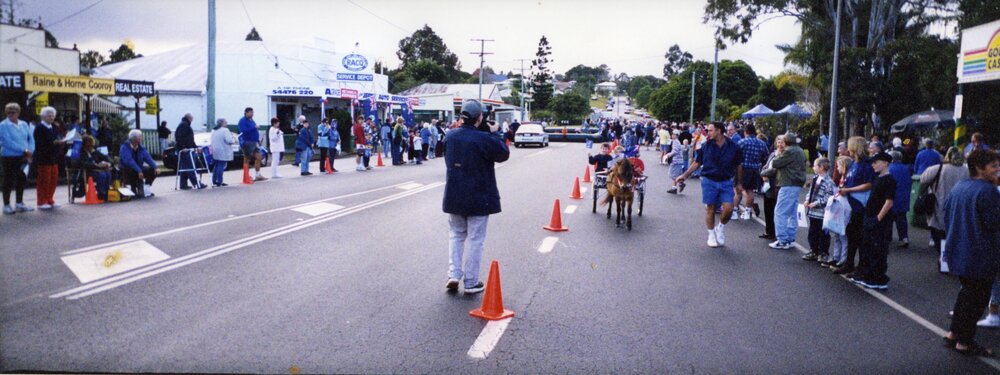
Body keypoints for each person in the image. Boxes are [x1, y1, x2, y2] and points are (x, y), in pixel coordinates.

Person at [443, 99, 510, 294]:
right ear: (479, 117)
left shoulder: (450, 136)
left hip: (454, 195)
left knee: (456, 235)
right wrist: (495, 132)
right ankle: (471, 282)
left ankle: (454, 274)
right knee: (475, 239)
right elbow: (503, 154)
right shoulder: (484, 138)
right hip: (479, 196)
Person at [942, 149, 1000, 357]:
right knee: (976, 301)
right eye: (993, 166)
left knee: (965, 295)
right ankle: (965, 342)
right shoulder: (987, 191)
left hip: (958, 250)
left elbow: (945, 211)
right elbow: (993, 224)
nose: (997, 169)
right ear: (979, 168)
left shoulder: (961, 186)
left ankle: (953, 334)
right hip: (980, 254)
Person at [674, 122, 743, 248]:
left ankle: (720, 227)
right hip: (709, 180)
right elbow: (697, 162)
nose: (708, 133)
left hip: (726, 181)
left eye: (711, 130)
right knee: (710, 208)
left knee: (728, 208)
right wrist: (685, 175)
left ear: (719, 131)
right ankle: (711, 234)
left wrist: (739, 182)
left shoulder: (734, 147)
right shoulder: (706, 146)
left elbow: (739, 165)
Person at [849, 151, 895, 289]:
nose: (873, 165)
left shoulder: (889, 180)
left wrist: (878, 218)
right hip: (870, 216)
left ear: (886, 163)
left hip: (879, 219)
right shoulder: (878, 178)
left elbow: (889, 201)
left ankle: (878, 279)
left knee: (878, 248)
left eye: (876, 162)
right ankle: (868, 274)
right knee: (868, 247)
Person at [831, 137, 875, 275]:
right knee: (851, 236)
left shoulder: (866, 164)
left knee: (859, 237)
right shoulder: (855, 164)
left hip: (859, 206)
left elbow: (869, 184)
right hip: (850, 204)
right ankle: (849, 263)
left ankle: (861, 267)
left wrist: (849, 190)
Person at [921, 147, 969, 253]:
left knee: (940, 234)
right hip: (959, 208)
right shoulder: (967, 171)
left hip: (939, 206)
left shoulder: (937, 169)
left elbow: (923, 179)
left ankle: (943, 258)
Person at [769, 132, 807, 250]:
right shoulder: (799, 150)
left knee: (780, 211)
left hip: (788, 184)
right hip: (796, 184)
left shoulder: (789, 151)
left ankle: (782, 239)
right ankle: (790, 238)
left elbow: (775, 163)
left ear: (786, 142)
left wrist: (779, 152)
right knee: (792, 212)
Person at [1, 103, 34, 214]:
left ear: (18, 113)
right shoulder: (3, 125)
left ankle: (19, 203)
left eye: (13, 112)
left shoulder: (24, 124)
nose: (11, 114)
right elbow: (7, 142)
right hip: (9, 156)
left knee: (21, 179)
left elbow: (30, 138)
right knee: (8, 180)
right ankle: (6, 205)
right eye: (8, 112)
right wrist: (24, 150)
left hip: (23, 157)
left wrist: (30, 150)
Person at [802, 157, 835, 262]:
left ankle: (823, 253)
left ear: (821, 167)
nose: (813, 167)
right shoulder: (816, 178)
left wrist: (816, 203)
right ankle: (814, 250)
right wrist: (807, 200)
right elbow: (810, 192)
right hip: (813, 212)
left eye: (815, 165)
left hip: (822, 213)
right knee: (813, 232)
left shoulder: (829, 182)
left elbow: (828, 197)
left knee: (823, 234)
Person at [827, 156, 854, 268]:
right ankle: (836, 256)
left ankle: (843, 258)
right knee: (837, 234)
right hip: (839, 207)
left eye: (838, 166)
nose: (837, 168)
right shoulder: (842, 178)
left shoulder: (848, 178)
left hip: (845, 209)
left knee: (843, 235)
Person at [736, 124, 768, 219]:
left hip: (743, 168)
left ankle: (734, 210)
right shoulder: (762, 143)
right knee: (750, 191)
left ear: (745, 132)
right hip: (755, 169)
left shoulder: (742, 142)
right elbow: (766, 156)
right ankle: (747, 211)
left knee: (738, 190)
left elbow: (735, 154)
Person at [34, 106, 62, 210]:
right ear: (43, 116)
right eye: (49, 115)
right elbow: (40, 144)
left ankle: (50, 199)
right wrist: (54, 143)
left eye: (52, 115)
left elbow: (56, 139)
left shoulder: (53, 127)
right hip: (44, 158)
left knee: (53, 179)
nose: (51, 117)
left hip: (53, 157)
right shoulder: (39, 128)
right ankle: (41, 201)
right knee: (44, 180)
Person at [119, 129, 159, 198]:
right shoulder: (125, 147)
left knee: (153, 170)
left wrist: (155, 167)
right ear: (134, 138)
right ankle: (132, 188)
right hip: (127, 169)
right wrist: (139, 170)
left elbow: (148, 158)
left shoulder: (141, 147)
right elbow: (129, 161)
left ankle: (146, 188)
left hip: (138, 169)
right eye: (140, 136)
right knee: (131, 170)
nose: (141, 138)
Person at [759, 137, 785, 240]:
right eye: (778, 142)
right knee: (767, 209)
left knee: (775, 209)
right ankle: (768, 231)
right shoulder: (773, 153)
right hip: (767, 184)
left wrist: (764, 173)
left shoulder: (784, 155)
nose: (779, 144)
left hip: (776, 184)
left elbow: (775, 170)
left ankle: (775, 232)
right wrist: (763, 173)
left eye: (782, 142)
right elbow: (766, 166)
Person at [887, 150, 912, 248]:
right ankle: (904, 238)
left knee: (889, 219)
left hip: (892, 197)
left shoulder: (889, 169)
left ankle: (888, 238)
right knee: (902, 219)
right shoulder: (907, 168)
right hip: (904, 197)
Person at [174, 113, 206, 190]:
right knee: (190, 166)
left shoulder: (184, 124)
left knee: (185, 167)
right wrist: (183, 147)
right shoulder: (184, 125)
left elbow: (189, 139)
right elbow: (179, 137)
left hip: (186, 148)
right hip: (185, 149)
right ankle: (196, 183)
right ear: (189, 118)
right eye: (192, 119)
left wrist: (195, 147)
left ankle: (183, 184)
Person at [77, 135, 112, 200]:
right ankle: (101, 193)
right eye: (91, 145)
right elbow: (84, 164)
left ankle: (107, 192)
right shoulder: (82, 153)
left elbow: (105, 157)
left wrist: (108, 163)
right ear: (86, 146)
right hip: (87, 172)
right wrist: (96, 165)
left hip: (96, 170)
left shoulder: (94, 152)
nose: (92, 147)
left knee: (108, 173)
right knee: (102, 175)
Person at [237, 107, 266, 181]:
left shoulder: (251, 120)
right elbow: (243, 131)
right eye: (250, 112)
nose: (252, 114)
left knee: (259, 157)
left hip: (254, 142)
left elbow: (254, 130)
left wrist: (258, 139)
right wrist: (254, 127)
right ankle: (246, 176)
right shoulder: (242, 121)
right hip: (247, 142)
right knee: (247, 159)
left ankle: (258, 175)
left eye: (252, 112)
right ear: (246, 113)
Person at [210, 119, 235, 187]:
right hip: (223, 150)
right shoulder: (225, 130)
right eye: (225, 122)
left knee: (216, 165)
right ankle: (219, 181)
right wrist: (234, 139)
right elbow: (229, 140)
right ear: (222, 123)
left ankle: (214, 180)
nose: (226, 124)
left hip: (215, 150)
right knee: (221, 165)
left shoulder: (214, 130)